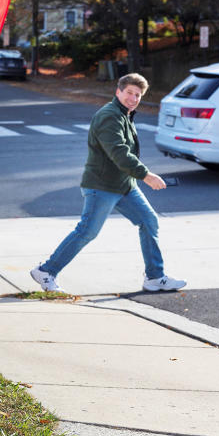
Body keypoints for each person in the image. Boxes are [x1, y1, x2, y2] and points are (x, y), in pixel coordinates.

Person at [30, 73, 186, 293]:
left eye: (138, 95)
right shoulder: (109, 116)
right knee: (87, 231)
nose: (133, 98)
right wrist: (146, 175)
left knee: (149, 221)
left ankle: (154, 277)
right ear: (118, 92)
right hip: (101, 186)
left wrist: (136, 177)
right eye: (129, 93)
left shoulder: (124, 115)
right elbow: (119, 153)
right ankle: (46, 271)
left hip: (124, 186)